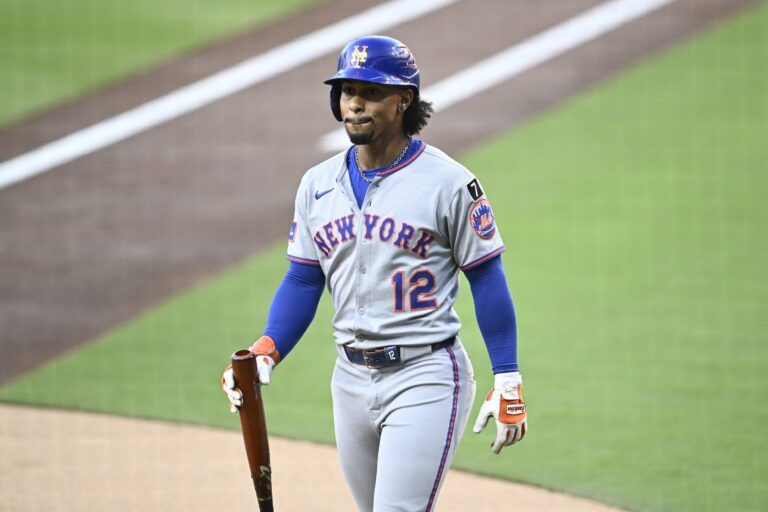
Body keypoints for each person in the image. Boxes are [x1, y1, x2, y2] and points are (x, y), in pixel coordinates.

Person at [222, 35, 527, 512]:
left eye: (371, 92)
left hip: (425, 374)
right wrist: (268, 348)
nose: (356, 104)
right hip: (349, 378)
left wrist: (507, 376)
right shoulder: (317, 184)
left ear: (404, 100)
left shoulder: (449, 184)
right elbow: (304, 279)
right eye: (347, 92)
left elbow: (487, 277)